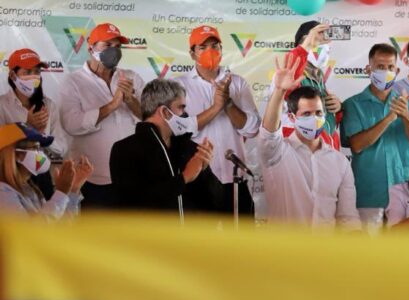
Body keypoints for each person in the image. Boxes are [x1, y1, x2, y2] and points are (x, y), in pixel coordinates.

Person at [258, 55, 360, 230]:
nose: (315, 119)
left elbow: (348, 218)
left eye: (319, 113)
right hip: (283, 252)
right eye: (306, 114)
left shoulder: (340, 162)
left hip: (325, 253)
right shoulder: (277, 153)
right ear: (291, 117)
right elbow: (268, 133)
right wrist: (279, 92)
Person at [174, 25, 261, 218]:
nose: (210, 51)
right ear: (192, 53)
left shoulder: (237, 83)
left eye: (215, 46)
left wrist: (228, 103)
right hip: (198, 181)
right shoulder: (179, 85)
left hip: (235, 180)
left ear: (222, 50)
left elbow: (252, 129)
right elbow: (180, 130)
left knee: (241, 245)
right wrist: (216, 107)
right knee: (201, 246)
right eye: (203, 47)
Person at [342, 43, 409, 232]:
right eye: (380, 67)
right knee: (370, 257)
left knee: (403, 256)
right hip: (370, 195)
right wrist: (389, 118)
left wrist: (406, 116)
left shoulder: (407, 104)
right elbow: (356, 145)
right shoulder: (353, 105)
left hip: (406, 193)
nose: (386, 71)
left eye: (390, 67)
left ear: (396, 71)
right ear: (368, 69)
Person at [59, 23, 145, 209]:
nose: (114, 51)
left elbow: (148, 117)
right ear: (91, 48)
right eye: (108, 46)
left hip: (131, 176)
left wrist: (130, 100)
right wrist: (113, 105)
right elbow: (71, 124)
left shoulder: (131, 77)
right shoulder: (73, 82)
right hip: (92, 179)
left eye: (117, 46)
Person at [109, 79, 221, 217]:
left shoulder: (191, 148)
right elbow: (131, 205)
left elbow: (215, 202)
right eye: (181, 107)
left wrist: (203, 171)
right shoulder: (125, 149)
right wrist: (184, 178)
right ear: (165, 112)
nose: (185, 114)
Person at [0, 48, 69, 200]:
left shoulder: (49, 105)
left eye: (37, 71)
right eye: (27, 72)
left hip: (40, 173)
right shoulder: (1, 105)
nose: (34, 77)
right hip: (8, 175)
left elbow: (62, 148)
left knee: (47, 219)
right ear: (13, 75)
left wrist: (43, 135)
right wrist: (27, 128)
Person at [0, 123, 91, 218]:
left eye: (40, 148)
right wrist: (61, 192)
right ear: (16, 155)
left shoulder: (29, 188)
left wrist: (73, 189)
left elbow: (60, 227)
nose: (41, 154)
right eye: (35, 148)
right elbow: (32, 231)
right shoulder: (3, 193)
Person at [278, 21, 343, 149]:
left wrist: (338, 109)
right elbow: (286, 90)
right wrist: (306, 46)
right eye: (319, 41)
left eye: (326, 43)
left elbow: (323, 121)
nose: (325, 46)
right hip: (301, 151)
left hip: (325, 152)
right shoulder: (292, 75)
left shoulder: (318, 78)